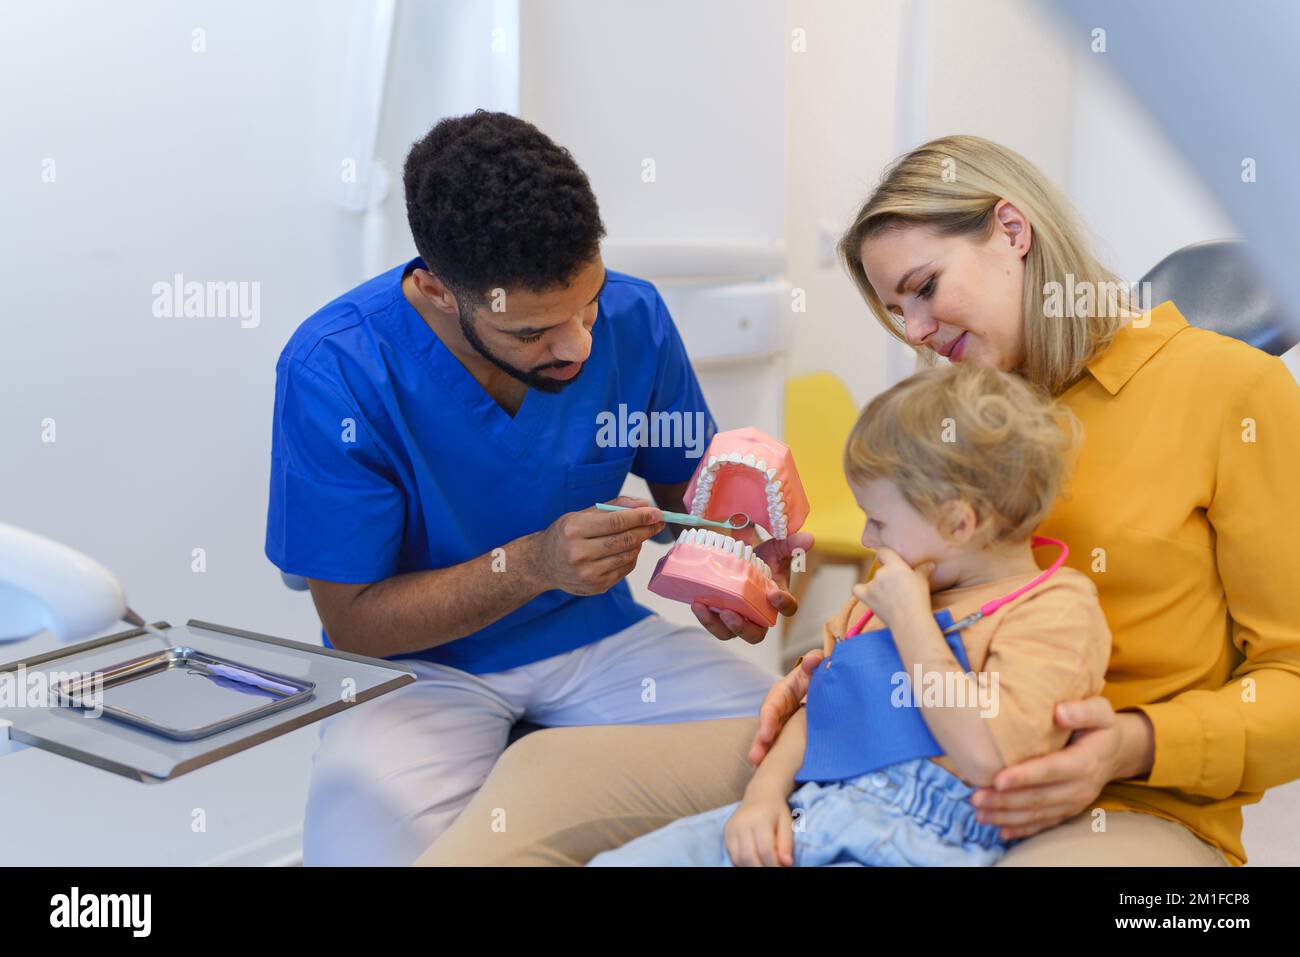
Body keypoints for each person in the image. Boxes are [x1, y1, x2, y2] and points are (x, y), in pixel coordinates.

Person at [415, 135, 1300, 868]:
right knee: (544, 787)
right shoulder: (951, 406)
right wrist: (823, 668)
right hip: (877, 744)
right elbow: (902, 586)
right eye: (893, 312)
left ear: (1011, 230)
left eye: (923, 288)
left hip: (1117, 801)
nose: (915, 333)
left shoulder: (1230, 392)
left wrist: (1136, 741)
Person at [264, 111, 807, 866]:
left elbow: (698, 503)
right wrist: (533, 565)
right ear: (435, 292)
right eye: (532, 333)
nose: (578, 346)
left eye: (586, 305)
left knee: (809, 749)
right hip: (422, 670)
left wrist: (741, 559)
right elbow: (354, 621)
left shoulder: (634, 315)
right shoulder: (338, 368)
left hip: (598, 639)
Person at [588, 364, 1112, 866]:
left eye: (879, 522)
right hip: (813, 805)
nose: (867, 540)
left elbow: (991, 759)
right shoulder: (883, 598)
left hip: (918, 837)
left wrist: (912, 623)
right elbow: (820, 708)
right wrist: (764, 797)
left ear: (958, 523)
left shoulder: (1054, 609)